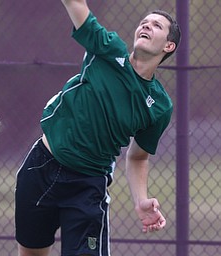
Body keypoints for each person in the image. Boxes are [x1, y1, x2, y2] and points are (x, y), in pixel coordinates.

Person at [15, 0, 181, 255]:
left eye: (156, 25)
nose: (146, 25)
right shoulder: (108, 50)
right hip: (41, 167)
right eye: (143, 23)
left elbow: (138, 157)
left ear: (168, 46)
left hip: (87, 184)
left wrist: (141, 200)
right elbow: (75, 3)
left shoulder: (159, 105)